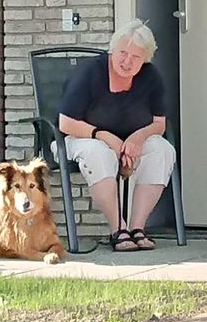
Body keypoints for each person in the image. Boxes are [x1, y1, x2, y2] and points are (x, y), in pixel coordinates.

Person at [56, 19, 176, 251]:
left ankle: (137, 228)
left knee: (162, 149)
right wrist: (104, 136)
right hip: (81, 138)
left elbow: (159, 124)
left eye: (136, 57)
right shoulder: (90, 72)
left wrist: (137, 138)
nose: (127, 61)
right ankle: (117, 229)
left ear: (146, 59)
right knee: (98, 152)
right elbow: (66, 123)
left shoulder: (151, 77)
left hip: (130, 141)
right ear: (113, 49)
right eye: (123, 53)